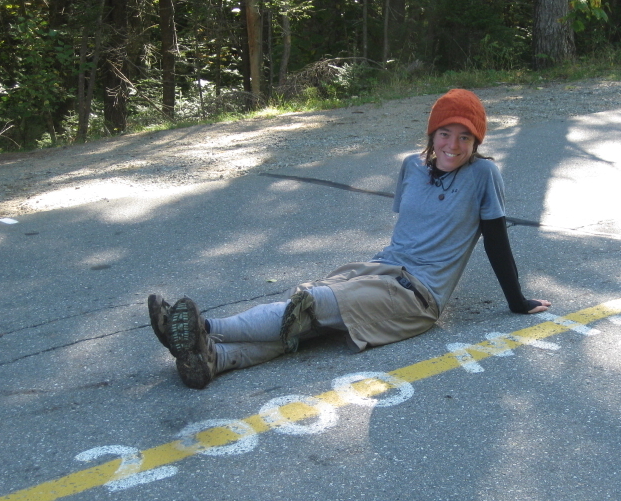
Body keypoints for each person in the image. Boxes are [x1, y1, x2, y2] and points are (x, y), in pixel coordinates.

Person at [148, 88, 550, 389]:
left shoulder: (483, 175)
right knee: (307, 323)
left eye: (465, 137)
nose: (454, 145)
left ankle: (201, 326)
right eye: (445, 133)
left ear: (477, 141)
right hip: (379, 269)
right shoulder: (412, 167)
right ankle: (213, 359)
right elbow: (408, 233)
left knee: (310, 304)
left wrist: (517, 302)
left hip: (418, 296)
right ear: (432, 134)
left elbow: (497, 242)